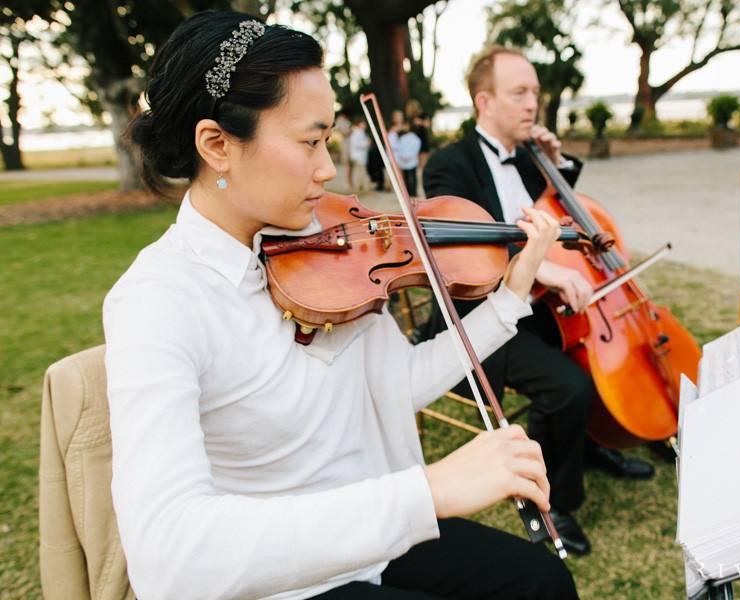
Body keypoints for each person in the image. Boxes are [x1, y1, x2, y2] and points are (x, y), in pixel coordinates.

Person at [107, 12, 579, 600]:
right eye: (310, 142)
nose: (329, 169)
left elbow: (396, 384)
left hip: (374, 544)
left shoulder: (327, 249)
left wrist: (509, 299)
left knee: (541, 583)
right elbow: (168, 556)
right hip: (282, 584)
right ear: (217, 145)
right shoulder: (157, 301)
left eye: (328, 139)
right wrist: (427, 492)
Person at [421, 46, 655, 557]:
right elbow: (460, 241)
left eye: (535, 93)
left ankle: (588, 445)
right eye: (519, 93)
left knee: (591, 361)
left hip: (537, 309)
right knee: (567, 386)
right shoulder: (448, 163)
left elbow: (559, 213)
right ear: (485, 100)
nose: (533, 104)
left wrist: (555, 161)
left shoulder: (530, 156)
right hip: (479, 315)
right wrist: (540, 266)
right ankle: (555, 501)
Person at [388, 109, 422, 195]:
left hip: (402, 152)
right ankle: (396, 190)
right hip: (396, 151)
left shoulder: (406, 129)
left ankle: (404, 191)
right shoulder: (394, 128)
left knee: (402, 173)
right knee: (395, 172)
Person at [347, 116, 370, 192]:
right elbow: (356, 144)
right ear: (360, 124)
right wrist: (366, 143)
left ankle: (361, 187)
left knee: (360, 172)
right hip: (358, 156)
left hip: (359, 156)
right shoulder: (357, 132)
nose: (365, 125)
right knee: (361, 172)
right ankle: (361, 187)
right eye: (363, 123)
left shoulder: (359, 132)